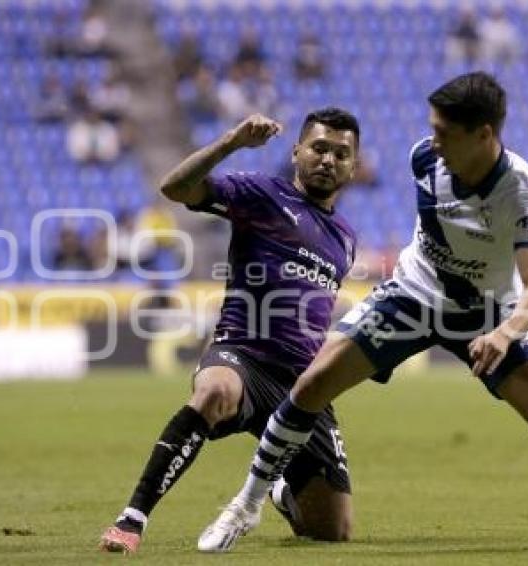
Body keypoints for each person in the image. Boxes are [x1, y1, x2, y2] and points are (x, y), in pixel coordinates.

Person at [200, 73, 528, 553]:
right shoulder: (424, 159)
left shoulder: (524, 192)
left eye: (445, 132)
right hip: (411, 297)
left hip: (484, 312)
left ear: (483, 135)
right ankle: (245, 505)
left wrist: (503, 334)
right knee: (311, 385)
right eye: (432, 128)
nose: (433, 140)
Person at [98, 108, 360, 554]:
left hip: (302, 383)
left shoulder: (346, 238)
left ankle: (278, 489)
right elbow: (174, 188)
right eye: (319, 148)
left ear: (353, 165)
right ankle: (132, 518)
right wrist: (230, 143)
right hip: (243, 354)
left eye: (341, 153)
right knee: (214, 392)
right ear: (297, 151)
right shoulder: (262, 194)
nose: (328, 160)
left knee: (333, 529)